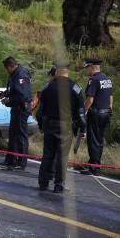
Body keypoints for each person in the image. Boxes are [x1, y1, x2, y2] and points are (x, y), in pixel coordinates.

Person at [37, 62, 86, 193]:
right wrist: (83, 128)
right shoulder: (75, 87)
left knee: (47, 154)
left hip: (49, 124)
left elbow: (40, 111)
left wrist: (41, 125)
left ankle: (43, 183)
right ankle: (59, 185)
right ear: (67, 71)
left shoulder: (47, 87)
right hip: (65, 126)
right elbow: (81, 112)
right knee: (62, 157)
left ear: (57, 71)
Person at [0, 56, 32, 170]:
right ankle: (10, 160)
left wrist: (9, 100)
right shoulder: (15, 74)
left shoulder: (21, 75)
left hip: (22, 108)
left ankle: (21, 162)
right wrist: (5, 94)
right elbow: (15, 90)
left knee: (21, 136)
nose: (6, 71)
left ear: (10, 67)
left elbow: (23, 95)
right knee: (12, 135)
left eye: (6, 69)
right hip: (16, 108)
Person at [81, 58, 113, 176]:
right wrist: (110, 110)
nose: (87, 70)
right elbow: (110, 97)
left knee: (93, 140)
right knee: (99, 140)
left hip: (96, 113)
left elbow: (90, 99)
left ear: (92, 67)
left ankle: (94, 168)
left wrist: (82, 112)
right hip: (106, 113)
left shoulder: (94, 80)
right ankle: (94, 163)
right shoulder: (106, 79)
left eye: (87, 68)